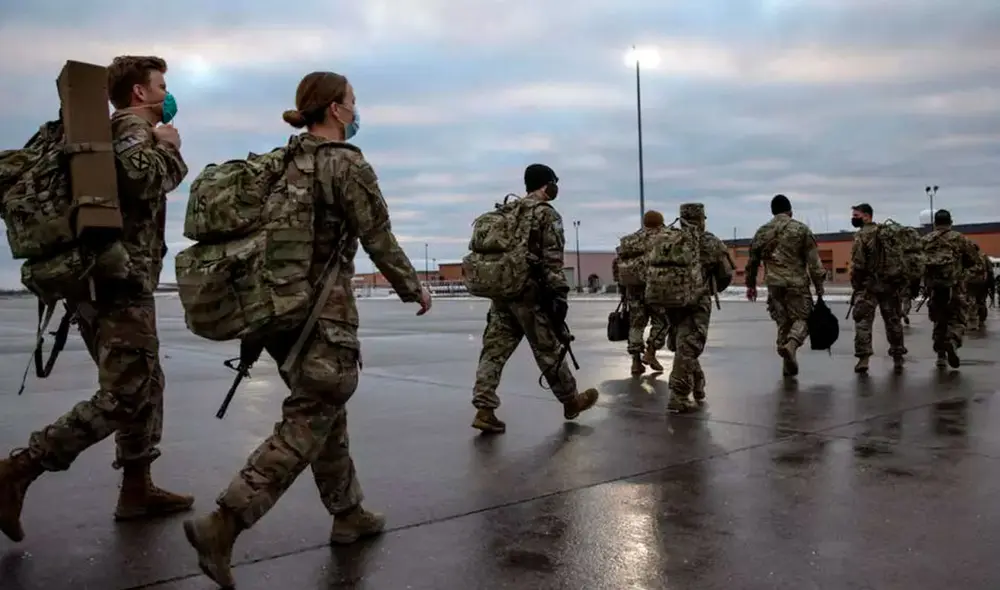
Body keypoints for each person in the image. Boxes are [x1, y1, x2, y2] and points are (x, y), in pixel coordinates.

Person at [182, 71, 432, 588]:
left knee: (326, 412)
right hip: (322, 311)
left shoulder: (281, 161)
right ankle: (224, 524)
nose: (357, 111)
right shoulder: (344, 164)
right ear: (336, 110)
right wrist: (414, 287)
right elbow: (378, 236)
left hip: (277, 309)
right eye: (353, 102)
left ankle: (348, 513)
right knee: (312, 415)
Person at [0, 55, 192, 544]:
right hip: (117, 281)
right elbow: (139, 177)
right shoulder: (131, 126)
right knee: (127, 393)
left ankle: (136, 489)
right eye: (161, 86)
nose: (167, 94)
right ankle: (17, 471)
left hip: (104, 278)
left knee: (144, 384)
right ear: (139, 94)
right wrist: (170, 150)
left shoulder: (114, 127)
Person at [470, 164, 600, 434]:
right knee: (548, 349)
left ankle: (484, 408)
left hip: (502, 293)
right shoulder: (545, 215)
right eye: (554, 182)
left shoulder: (506, 212)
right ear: (546, 185)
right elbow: (552, 260)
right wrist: (558, 294)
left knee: (493, 351)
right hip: (530, 294)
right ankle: (570, 400)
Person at [659, 203, 732, 412]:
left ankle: (698, 380)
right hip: (697, 301)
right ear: (701, 219)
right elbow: (725, 273)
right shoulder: (710, 241)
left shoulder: (668, 238)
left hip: (670, 301)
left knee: (684, 343)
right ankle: (678, 395)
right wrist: (708, 288)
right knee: (689, 345)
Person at [745, 194, 826, 377]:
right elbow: (814, 263)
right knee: (803, 319)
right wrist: (819, 286)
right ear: (790, 211)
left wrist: (751, 285)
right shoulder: (801, 230)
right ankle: (791, 345)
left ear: (772, 212)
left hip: (774, 285)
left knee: (783, 322)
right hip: (796, 284)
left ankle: (788, 364)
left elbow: (752, 262)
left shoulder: (762, 231)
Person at [848, 203, 907, 374]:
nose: (853, 218)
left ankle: (863, 359)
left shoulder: (862, 235)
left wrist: (856, 284)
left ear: (867, 216)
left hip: (868, 286)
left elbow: (858, 263)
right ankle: (898, 355)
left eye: (856, 215)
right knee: (893, 322)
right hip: (890, 285)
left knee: (863, 323)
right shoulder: (887, 234)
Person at [612, 210, 669, 376]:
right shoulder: (664, 238)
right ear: (660, 222)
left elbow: (617, 264)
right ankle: (650, 352)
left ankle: (636, 362)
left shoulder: (631, 240)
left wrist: (622, 289)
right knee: (662, 322)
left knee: (636, 324)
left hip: (633, 289)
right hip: (657, 288)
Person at [921, 210, 980, 369]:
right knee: (958, 319)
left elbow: (918, 265)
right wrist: (964, 277)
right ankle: (952, 342)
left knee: (939, 321)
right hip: (955, 288)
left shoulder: (925, 240)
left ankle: (940, 355)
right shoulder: (959, 239)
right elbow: (977, 263)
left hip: (934, 289)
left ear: (935, 223)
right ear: (950, 222)